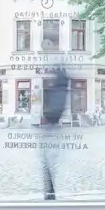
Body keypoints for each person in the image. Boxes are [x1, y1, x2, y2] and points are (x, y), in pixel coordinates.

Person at [39, 69, 69, 200]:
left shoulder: (58, 90)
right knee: (49, 159)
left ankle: (50, 192)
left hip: (51, 125)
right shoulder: (62, 89)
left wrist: (48, 117)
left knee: (47, 159)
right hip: (53, 125)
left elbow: (55, 108)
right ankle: (50, 191)